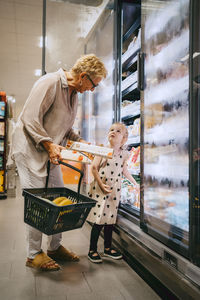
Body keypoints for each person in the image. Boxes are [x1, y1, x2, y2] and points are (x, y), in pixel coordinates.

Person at [10, 54, 107, 271]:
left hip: (49, 152)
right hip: (28, 150)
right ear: (83, 76)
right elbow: (30, 118)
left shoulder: (73, 94)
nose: (92, 90)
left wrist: (81, 142)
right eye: (93, 84)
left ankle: (54, 247)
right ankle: (33, 254)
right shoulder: (50, 82)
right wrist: (48, 144)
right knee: (38, 200)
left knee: (59, 195)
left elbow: (65, 127)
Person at [87, 122, 140, 263]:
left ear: (124, 138)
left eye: (118, 131)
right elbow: (94, 168)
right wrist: (101, 184)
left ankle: (107, 248)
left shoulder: (124, 154)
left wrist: (135, 183)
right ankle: (92, 249)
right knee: (99, 220)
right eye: (111, 130)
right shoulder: (103, 150)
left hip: (114, 191)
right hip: (101, 189)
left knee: (110, 220)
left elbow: (124, 170)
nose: (113, 132)